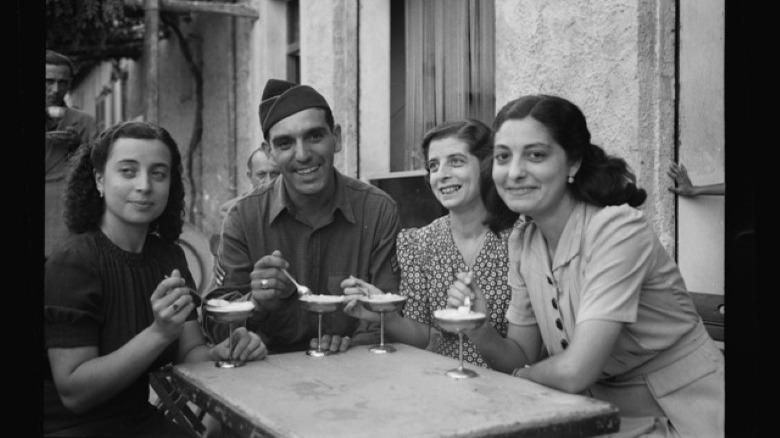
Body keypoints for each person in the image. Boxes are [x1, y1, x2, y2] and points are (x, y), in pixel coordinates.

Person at [447, 95, 725, 437]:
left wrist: (521, 379)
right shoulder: (525, 242)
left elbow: (575, 371)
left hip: (684, 414)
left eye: (536, 155)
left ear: (573, 163)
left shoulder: (617, 230)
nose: (515, 172)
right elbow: (520, 355)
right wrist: (479, 327)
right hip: (595, 415)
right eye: (504, 157)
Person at [44, 121, 267, 437]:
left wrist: (225, 352)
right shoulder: (74, 262)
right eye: (128, 171)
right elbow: (75, 394)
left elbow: (191, 354)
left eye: (158, 173)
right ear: (99, 180)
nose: (145, 185)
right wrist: (159, 333)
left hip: (138, 421)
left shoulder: (168, 257)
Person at [204, 79, 401, 354]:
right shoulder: (244, 216)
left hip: (356, 372)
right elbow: (213, 327)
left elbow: (388, 313)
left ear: (337, 138)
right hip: (265, 373)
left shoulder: (378, 210)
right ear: (269, 152)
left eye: (315, 136)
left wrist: (354, 344)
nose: (303, 155)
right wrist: (256, 302)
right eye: (285, 143)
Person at [341, 119, 518, 367]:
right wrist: (386, 314)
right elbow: (422, 336)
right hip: (439, 383)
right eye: (434, 166)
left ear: (487, 166)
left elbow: (524, 355)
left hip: (509, 388)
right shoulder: (417, 243)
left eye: (456, 161)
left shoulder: (520, 240)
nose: (442, 175)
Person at [46, 49, 98, 260]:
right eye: (48, 81)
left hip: (64, 216)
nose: (55, 90)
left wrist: (77, 146)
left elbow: (99, 167)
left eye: (63, 82)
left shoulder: (84, 122)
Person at [209, 148, 281, 260]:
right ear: (249, 176)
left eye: (274, 174)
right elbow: (224, 260)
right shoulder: (232, 210)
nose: (269, 181)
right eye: (261, 175)